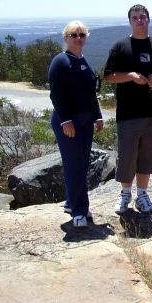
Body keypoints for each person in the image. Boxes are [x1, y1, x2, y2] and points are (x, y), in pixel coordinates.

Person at [104, 4, 152, 215]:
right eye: (135, 17)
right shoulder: (120, 46)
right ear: (130, 21)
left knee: (148, 155)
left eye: (142, 17)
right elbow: (108, 75)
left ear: (149, 19)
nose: (139, 20)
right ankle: (125, 194)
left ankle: (142, 195)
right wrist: (131, 77)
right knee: (127, 155)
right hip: (128, 112)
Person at [49, 21, 104, 228]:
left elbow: (91, 93)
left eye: (82, 35)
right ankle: (79, 211)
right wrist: (66, 121)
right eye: (74, 35)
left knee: (81, 163)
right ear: (66, 38)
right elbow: (56, 94)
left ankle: (72, 202)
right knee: (74, 164)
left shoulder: (85, 61)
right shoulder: (61, 61)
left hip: (85, 120)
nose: (78, 38)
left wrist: (97, 116)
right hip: (68, 121)